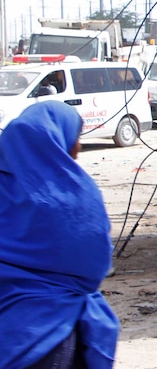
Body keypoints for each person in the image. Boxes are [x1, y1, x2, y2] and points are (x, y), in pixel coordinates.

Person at [0, 101, 119, 369]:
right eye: (76, 138)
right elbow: (93, 266)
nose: (79, 147)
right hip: (50, 332)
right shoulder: (74, 194)